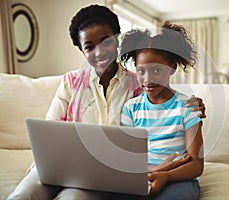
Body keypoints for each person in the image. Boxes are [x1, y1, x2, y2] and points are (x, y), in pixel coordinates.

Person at [8, 5, 205, 200]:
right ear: (82, 50)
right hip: (60, 165)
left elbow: (160, 101)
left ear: (118, 40)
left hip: (99, 176)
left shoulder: (138, 85)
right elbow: (48, 132)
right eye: (89, 46)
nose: (99, 52)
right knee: (24, 195)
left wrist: (192, 105)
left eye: (106, 42)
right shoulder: (71, 83)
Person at [120, 21, 204, 199]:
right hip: (142, 176)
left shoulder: (188, 106)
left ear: (172, 67)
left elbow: (196, 165)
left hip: (178, 179)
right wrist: (156, 170)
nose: (148, 79)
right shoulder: (130, 108)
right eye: (141, 71)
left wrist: (166, 175)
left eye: (157, 70)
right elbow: (129, 159)